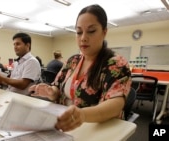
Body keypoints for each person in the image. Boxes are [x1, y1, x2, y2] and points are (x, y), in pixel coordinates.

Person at [28, 4, 132, 132]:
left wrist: (82, 115)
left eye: (91, 31)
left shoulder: (115, 64)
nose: (83, 38)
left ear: (104, 32)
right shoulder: (73, 61)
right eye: (78, 32)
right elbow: (57, 86)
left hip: (96, 129)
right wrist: (52, 92)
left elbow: (116, 104)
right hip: (64, 125)